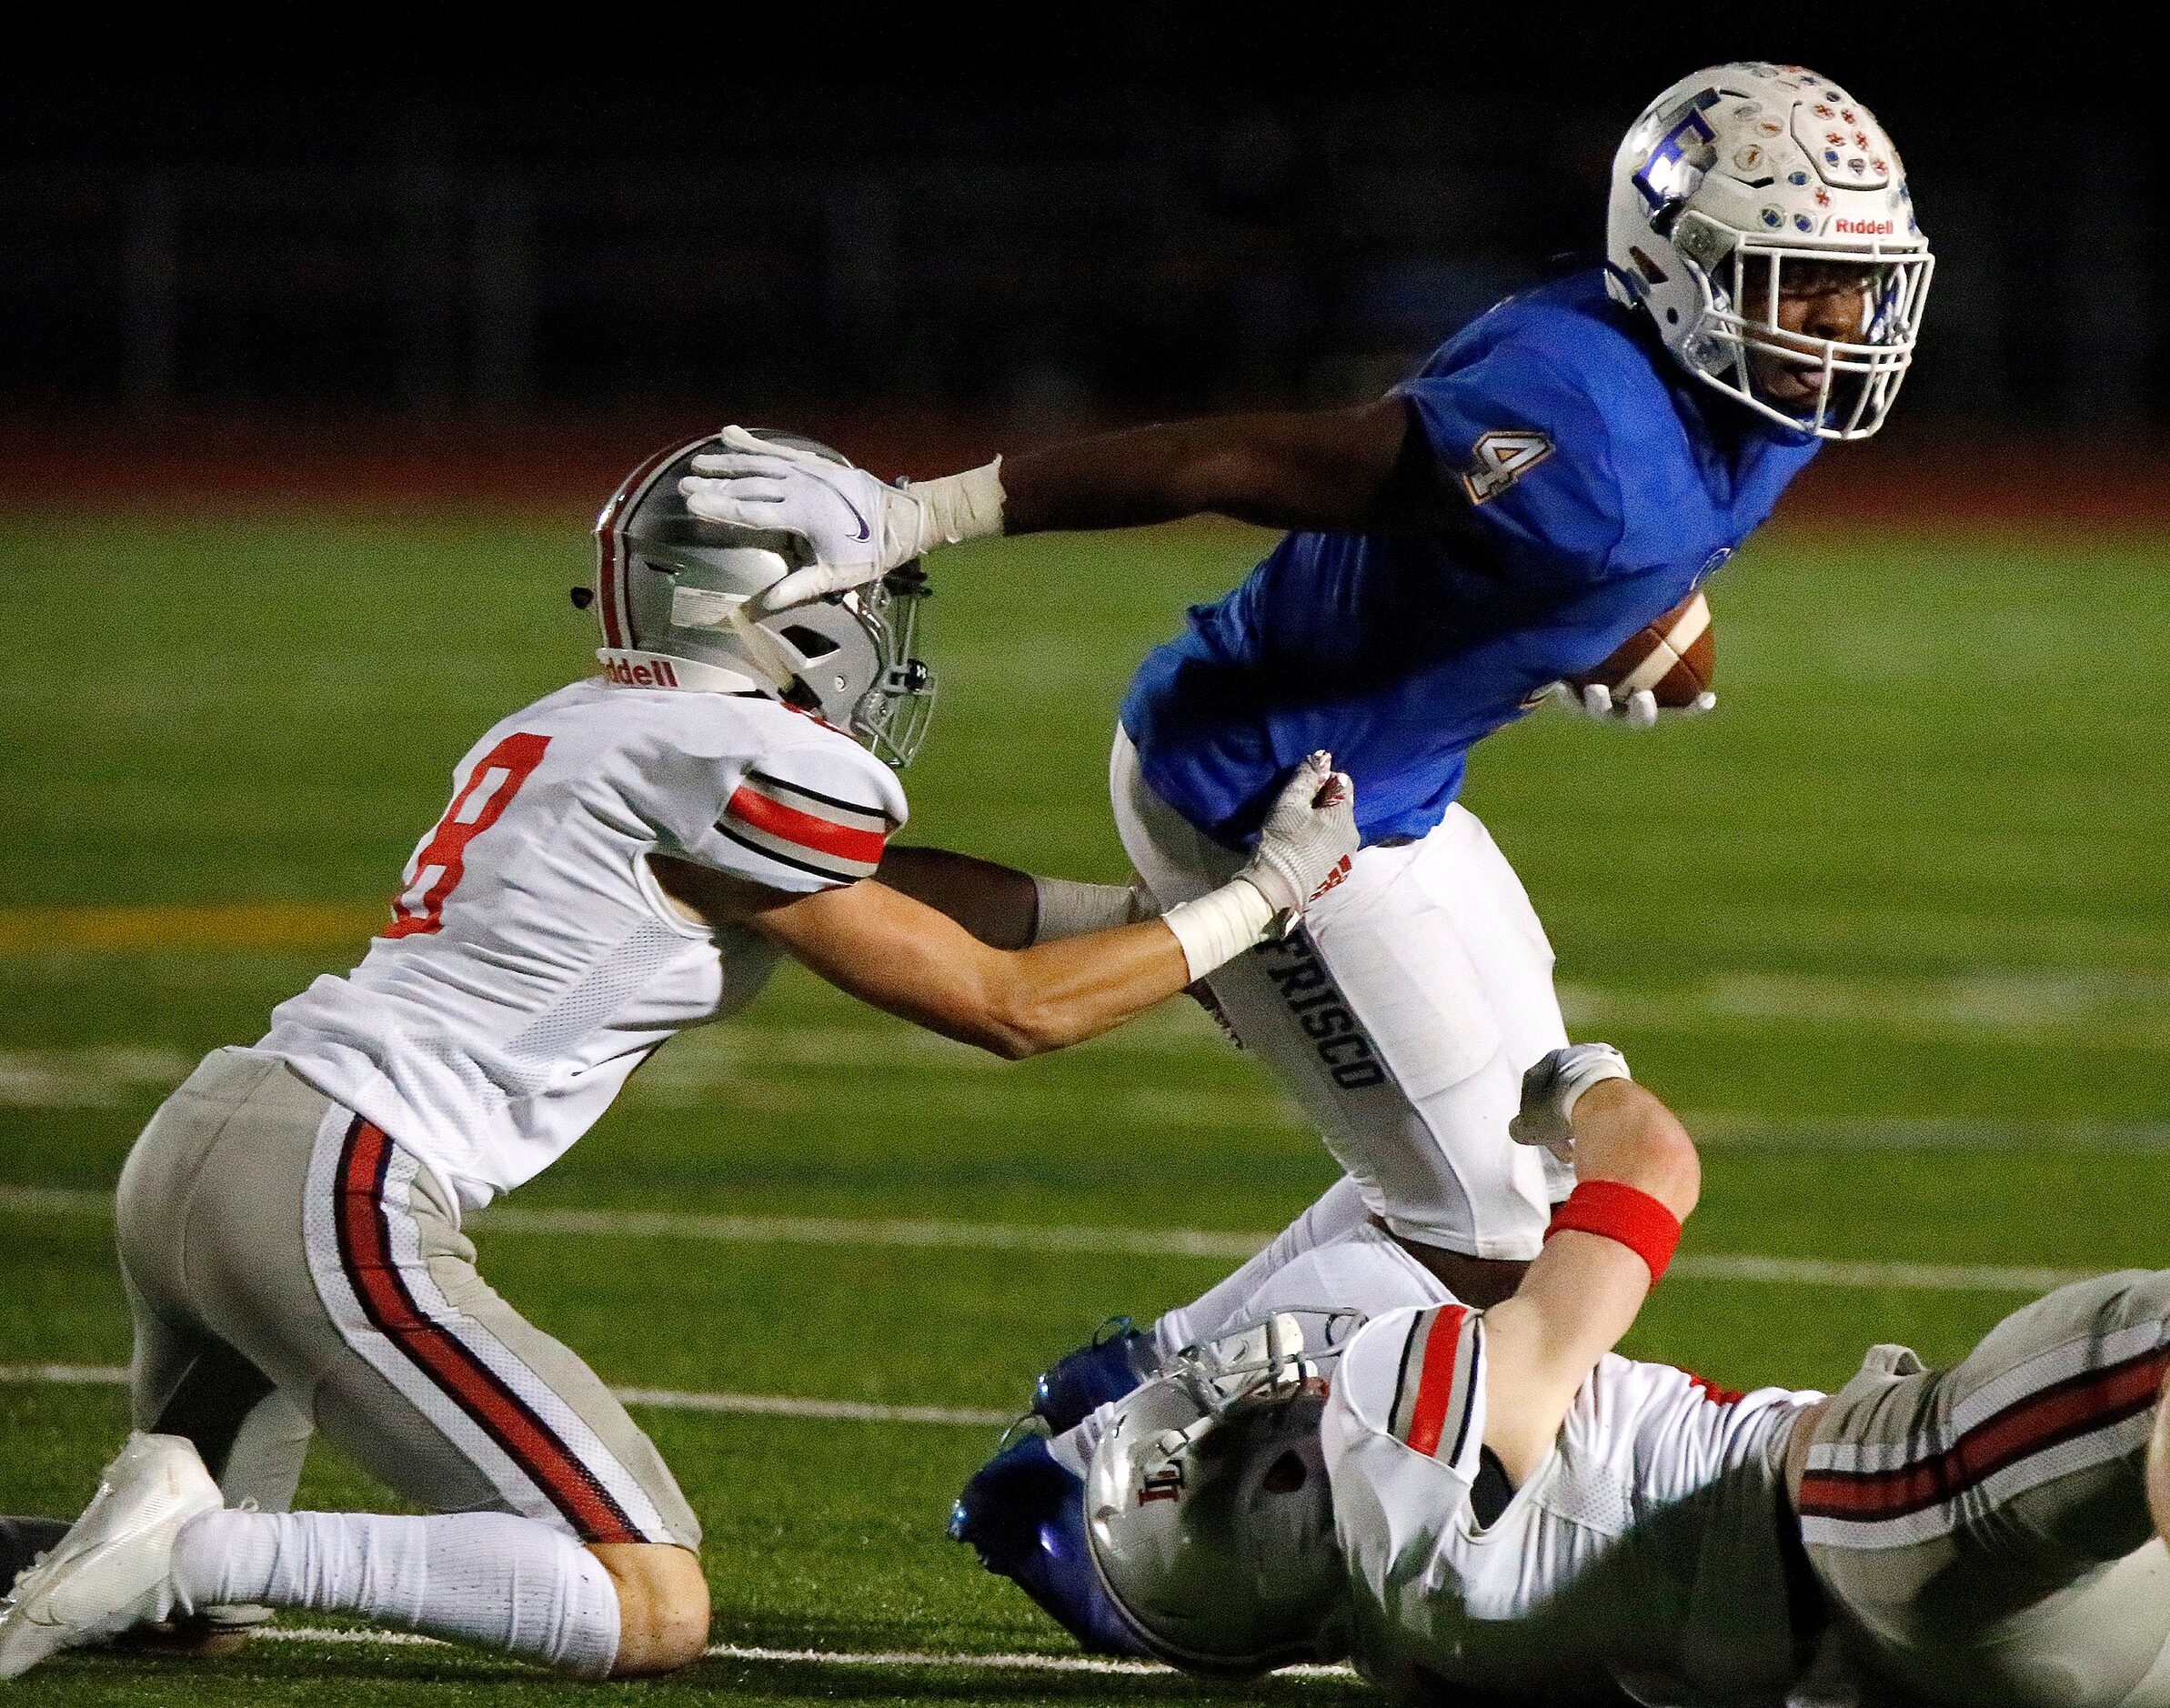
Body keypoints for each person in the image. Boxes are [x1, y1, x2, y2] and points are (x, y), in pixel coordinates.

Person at [0, 433, 1360, 1683]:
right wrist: (1253, 905)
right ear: (778, 604)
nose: (879, 621)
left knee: (180, 1629)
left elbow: (901, 894)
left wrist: (1151, 917)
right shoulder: (732, 756)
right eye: (865, 585)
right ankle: (186, 1542)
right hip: (334, 1180)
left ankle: (163, 1554)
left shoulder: (584, 724)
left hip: (208, 1146)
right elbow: (1008, 1005)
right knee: (642, 1596)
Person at [668, 62, 1934, 1361]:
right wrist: (930, 508)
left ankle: (761, 876)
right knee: (1487, 1246)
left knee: (1517, 1170)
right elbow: (1231, 459)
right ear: (1678, 265)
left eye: (1856, 278)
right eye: (1798, 281)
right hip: (1271, 786)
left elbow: (1534, 545)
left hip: (1395, 785)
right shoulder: (1581, 436)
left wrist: (1594, 619)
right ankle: (1115, 1427)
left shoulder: (1722, 396)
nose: (1837, 317)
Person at [975, 1046, 2170, 1708]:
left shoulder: (1411, 1648)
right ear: (1272, 1478)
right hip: (1876, 1513)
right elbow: (1651, 1167)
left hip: (1927, 1679)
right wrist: (1583, 1083)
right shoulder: (1394, 1401)